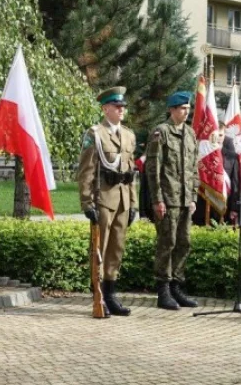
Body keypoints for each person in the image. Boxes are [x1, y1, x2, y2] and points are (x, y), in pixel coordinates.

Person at [77, 86, 138, 316]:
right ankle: (98, 295)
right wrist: (87, 203)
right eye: (116, 106)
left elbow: (131, 173)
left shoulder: (129, 135)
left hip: (122, 200)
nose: (121, 110)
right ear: (105, 109)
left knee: (116, 249)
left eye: (123, 106)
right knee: (99, 249)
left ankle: (110, 294)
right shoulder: (95, 134)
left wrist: (133, 203)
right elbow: (86, 172)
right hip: (103, 199)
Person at [146, 91, 199, 310]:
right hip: (168, 199)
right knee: (167, 243)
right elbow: (153, 169)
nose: (185, 112)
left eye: (187, 108)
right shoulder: (161, 132)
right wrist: (158, 199)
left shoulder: (190, 134)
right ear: (172, 110)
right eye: (181, 109)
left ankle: (177, 286)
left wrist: (194, 196)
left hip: (186, 200)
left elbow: (194, 168)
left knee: (184, 242)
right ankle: (163, 290)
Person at [192, 123, 227, 227]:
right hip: (201, 204)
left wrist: (235, 208)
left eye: (220, 135)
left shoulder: (232, 156)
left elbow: (235, 183)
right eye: (215, 134)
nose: (218, 138)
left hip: (222, 203)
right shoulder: (200, 155)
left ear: (225, 135)